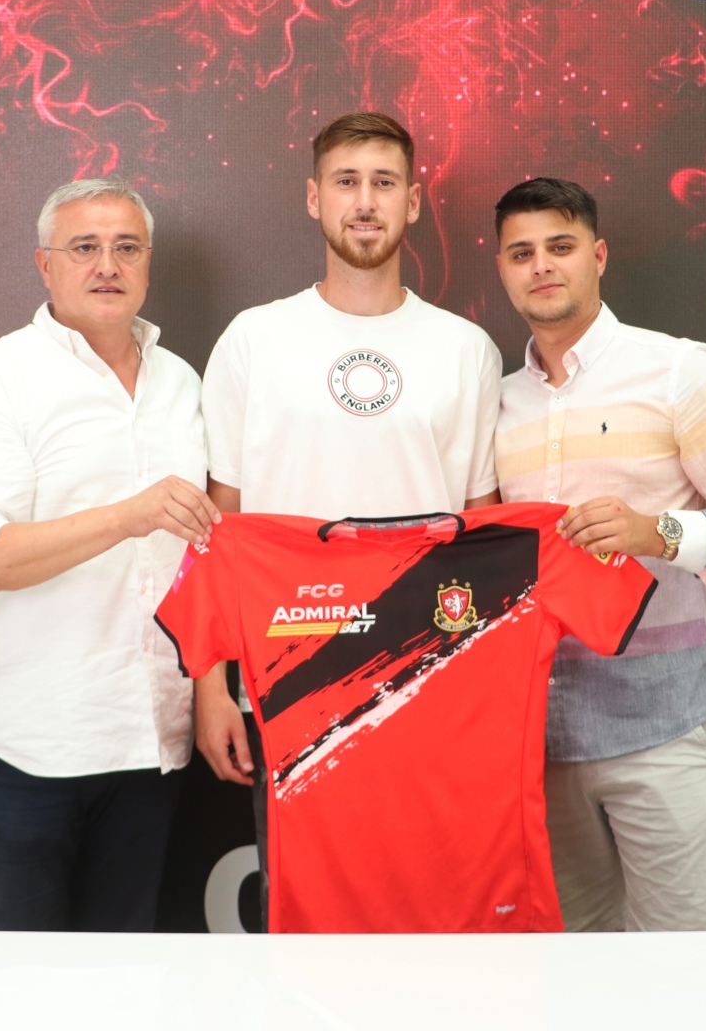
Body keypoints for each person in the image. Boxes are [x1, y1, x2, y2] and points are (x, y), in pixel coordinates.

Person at [193, 111, 502, 915]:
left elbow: (483, 531)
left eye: (384, 183)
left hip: (426, 676)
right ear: (313, 198)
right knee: (309, 916)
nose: (365, 201)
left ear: (413, 202)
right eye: (346, 182)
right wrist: (210, 686)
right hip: (288, 678)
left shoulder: (465, 349)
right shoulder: (254, 340)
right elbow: (220, 530)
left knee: (426, 909)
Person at [492, 177, 706, 931]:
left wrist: (657, 533)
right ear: (502, 269)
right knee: (571, 974)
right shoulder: (495, 404)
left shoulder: (677, 370)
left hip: (661, 728)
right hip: (538, 745)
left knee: (686, 973)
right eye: (522, 253)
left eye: (560, 247)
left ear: (598, 256)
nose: (542, 266)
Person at [0, 178, 219, 931]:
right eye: (84, 248)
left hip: (151, 742)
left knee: (127, 979)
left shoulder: (181, 382)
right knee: (21, 983)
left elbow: (208, 555)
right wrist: (127, 516)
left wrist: (210, 692)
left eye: (126, 248)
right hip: (30, 745)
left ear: (149, 263)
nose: (107, 266)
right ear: (44, 265)